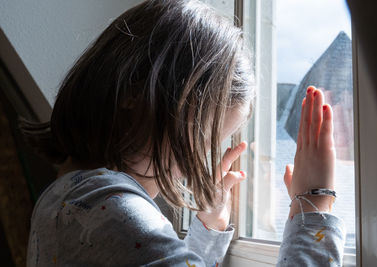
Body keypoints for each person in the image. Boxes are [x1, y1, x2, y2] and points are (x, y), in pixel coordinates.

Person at [24, 0, 345, 266]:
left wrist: (208, 230)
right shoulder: (112, 212)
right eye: (203, 136)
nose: (200, 161)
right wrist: (314, 206)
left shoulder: (62, 199)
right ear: (134, 92)